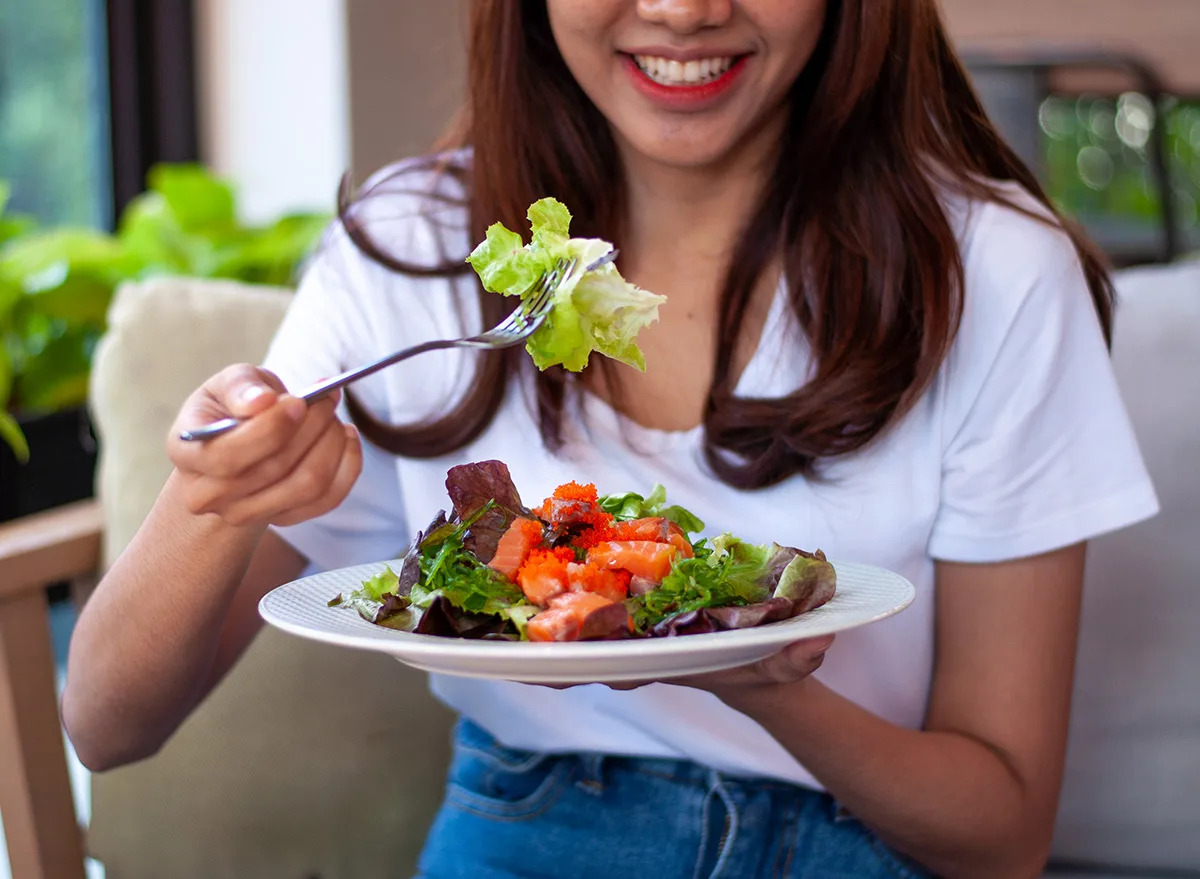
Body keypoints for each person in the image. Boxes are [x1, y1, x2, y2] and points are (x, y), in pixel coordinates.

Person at [63, 1, 1160, 876]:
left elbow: (1001, 835)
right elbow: (105, 724)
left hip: (858, 846)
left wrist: (758, 678)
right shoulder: (409, 253)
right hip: (526, 833)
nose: (683, 11)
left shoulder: (993, 273)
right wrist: (216, 490)